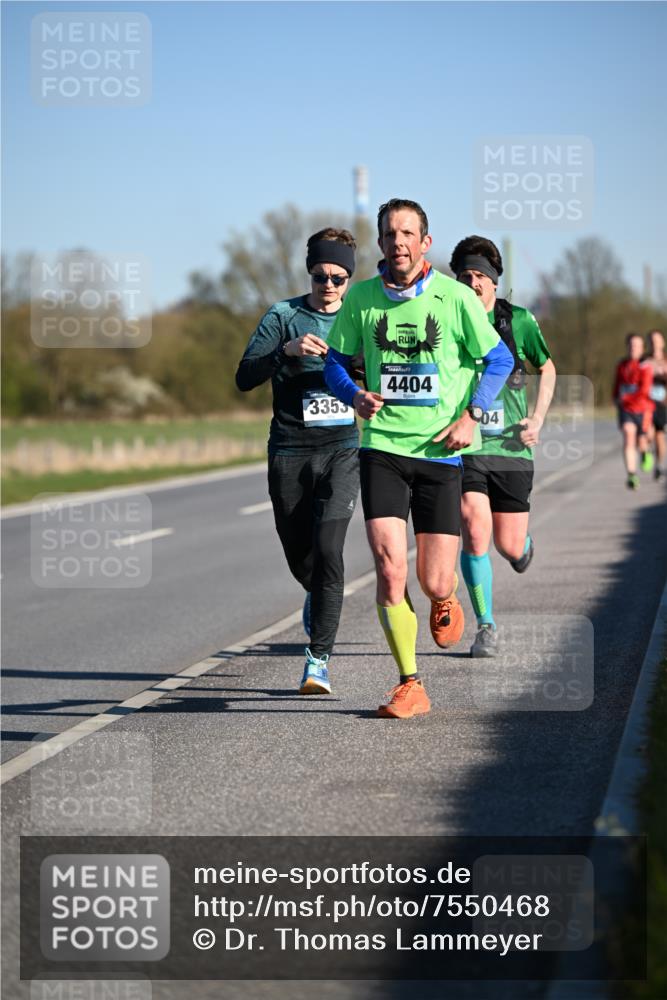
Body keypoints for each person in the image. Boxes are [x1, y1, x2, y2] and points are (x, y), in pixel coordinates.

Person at [324, 199, 513, 719]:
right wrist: (353, 397)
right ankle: (410, 682)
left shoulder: (455, 298)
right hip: (382, 446)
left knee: (434, 581)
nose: (399, 242)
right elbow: (334, 367)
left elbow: (500, 358)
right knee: (388, 566)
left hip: (441, 453)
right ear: (381, 244)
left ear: (425, 243)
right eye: (390, 234)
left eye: (408, 233)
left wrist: (473, 414)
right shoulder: (360, 300)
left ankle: (445, 598)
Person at [235, 228, 359, 695]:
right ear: (309, 272)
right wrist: (284, 351)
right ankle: (315, 590)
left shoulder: (358, 318)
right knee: (302, 558)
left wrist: (351, 365)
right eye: (320, 275)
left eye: (339, 277)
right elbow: (244, 376)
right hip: (288, 450)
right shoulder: (283, 316)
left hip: (343, 450)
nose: (329, 285)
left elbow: (386, 368)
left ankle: (318, 660)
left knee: (330, 551)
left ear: (349, 277)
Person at [450, 236, 556, 658]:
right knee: (474, 527)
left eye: (479, 276)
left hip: (512, 448)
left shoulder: (519, 322)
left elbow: (546, 368)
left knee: (508, 546)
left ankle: (523, 548)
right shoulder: (449, 318)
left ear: (494, 281)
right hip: (469, 444)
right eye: (465, 276)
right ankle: (486, 625)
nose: (472, 283)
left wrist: (537, 419)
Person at [612, 332, 654, 489]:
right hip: (626, 410)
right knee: (628, 435)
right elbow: (617, 384)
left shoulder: (645, 366)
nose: (633, 348)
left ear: (642, 348)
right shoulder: (622, 365)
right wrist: (616, 397)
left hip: (643, 409)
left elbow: (644, 390)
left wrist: (625, 398)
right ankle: (631, 475)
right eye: (630, 345)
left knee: (641, 441)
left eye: (636, 345)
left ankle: (645, 451)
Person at [643, 329, 666, 480]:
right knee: (648, 433)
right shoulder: (644, 361)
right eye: (652, 340)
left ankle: (659, 465)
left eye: (657, 340)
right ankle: (647, 452)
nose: (654, 343)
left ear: (662, 342)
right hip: (647, 403)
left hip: (663, 404)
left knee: (659, 436)